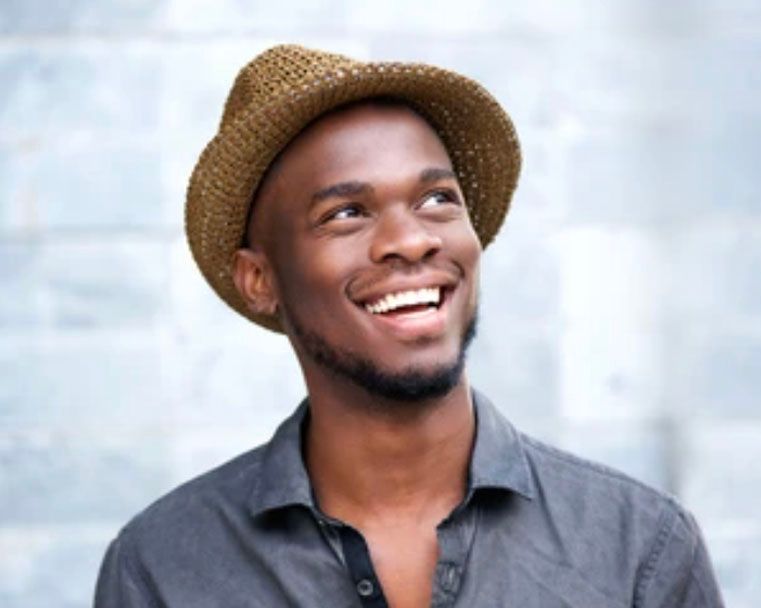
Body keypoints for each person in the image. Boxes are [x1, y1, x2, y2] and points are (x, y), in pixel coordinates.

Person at [94, 44, 724, 608]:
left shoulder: (640, 548)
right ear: (260, 280)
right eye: (345, 212)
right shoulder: (163, 570)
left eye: (436, 199)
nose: (411, 239)